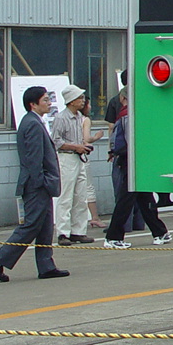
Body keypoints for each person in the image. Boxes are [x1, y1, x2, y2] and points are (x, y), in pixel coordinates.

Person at [0, 86, 70, 281]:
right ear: (33, 104)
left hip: (41, 185)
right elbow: (33, 159)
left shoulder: (35, 122)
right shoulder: (31, 124)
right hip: (36, 185)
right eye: (45, 100)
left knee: (46, 226)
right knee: (31, 225)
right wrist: (42, 182)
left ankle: (46, 265)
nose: (49, 103)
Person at [103, 89, 171, 248]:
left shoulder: (126, 114)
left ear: (122, 98)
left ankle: (158, 232)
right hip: (136, 160)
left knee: (135, 197)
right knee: (135, 198)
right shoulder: (135, 114)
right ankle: (115, 236)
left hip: (130, 160)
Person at [50, 84, 96, 246]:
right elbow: (55, 141)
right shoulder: (61, 118)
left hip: (79, 157)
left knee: (80, 196)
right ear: (71, 101)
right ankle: (63, 232)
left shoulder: (78, 118)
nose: (83, 101)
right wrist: (76, 147)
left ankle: (78, 231)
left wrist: (83, 147)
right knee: (66, 196)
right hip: (66, 158)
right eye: (79, 98)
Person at [81, 97, 105, 229]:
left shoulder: (66, 118)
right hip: (82, 157)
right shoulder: (85, 119)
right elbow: (86, 139)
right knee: (88, 187)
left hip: (66, 158)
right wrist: (96, 136)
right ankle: (95, 217)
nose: (90, 107)